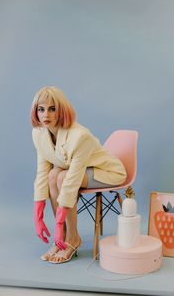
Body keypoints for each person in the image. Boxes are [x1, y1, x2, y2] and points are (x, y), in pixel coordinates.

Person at [31, 86, 127, 264]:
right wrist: (38, 216)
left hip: (108, 172)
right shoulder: (39, 134)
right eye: (41, 109)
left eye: (52, 109)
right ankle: (64, 239)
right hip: (77, 171)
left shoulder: (79, 136)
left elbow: (72, 179)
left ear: (61, 110)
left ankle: (72, 239)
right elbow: (42, 172)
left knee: (61, 177)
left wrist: (58, 224)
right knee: (53, 175)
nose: (46, 115)